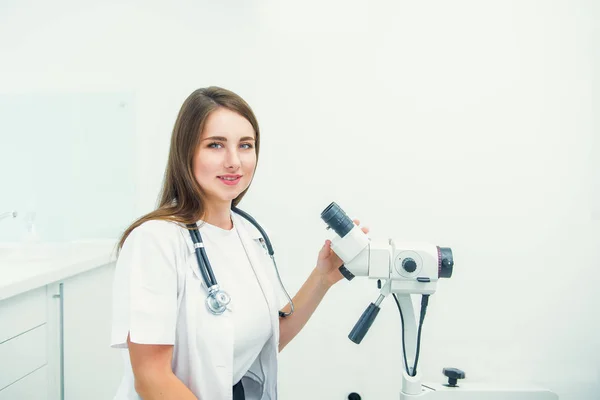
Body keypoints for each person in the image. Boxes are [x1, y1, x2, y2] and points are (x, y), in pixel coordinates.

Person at [109, 86, 369, 400]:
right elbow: (151, 379)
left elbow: (270, 338)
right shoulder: (155, 241)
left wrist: (323, 277)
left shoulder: (248, 234)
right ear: (186, 151)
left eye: (245, 145)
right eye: (215, 145)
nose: (234, 161)